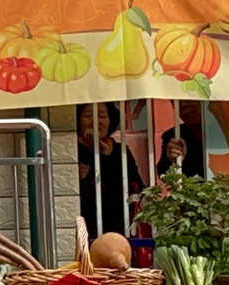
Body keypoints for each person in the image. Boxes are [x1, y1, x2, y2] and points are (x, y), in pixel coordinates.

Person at [77, 103, 144, 239]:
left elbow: (138, 187)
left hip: (120, 228)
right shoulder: (74, 151)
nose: (95, 121)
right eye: (88, 116)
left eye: (102, 116)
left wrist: (103, 151)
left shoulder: (121, 151)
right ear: (79, 121)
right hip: (86, 230)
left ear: (110, 120)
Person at [156, 102, 207, 179]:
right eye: (177, 102)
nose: (183, 105)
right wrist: (173, 161)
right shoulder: (174, 135)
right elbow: (164, 174)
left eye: (189, 100)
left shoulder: (223, 131)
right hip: (189, 186)